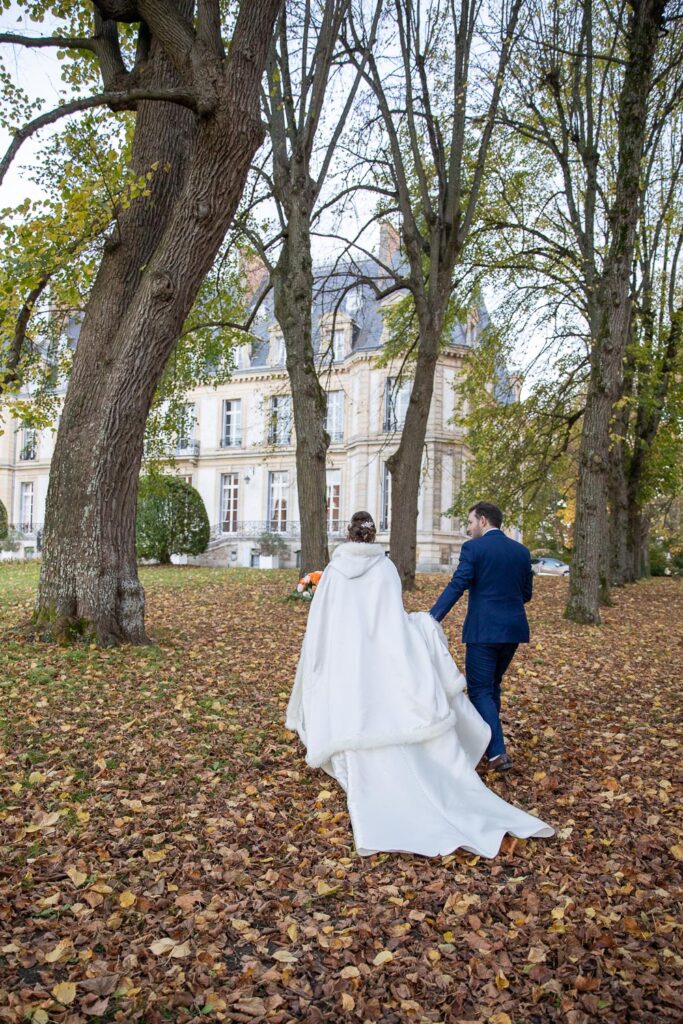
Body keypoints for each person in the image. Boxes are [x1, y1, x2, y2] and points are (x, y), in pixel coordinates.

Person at [286, 511, 553, 858]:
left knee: (473, 690)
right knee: (489, 688)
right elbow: (392, 616)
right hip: (410, 646)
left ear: (350, 535)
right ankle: (494, 745)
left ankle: (491, 744)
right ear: (373, 536)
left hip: (348, 654)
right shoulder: (385, 568)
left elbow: (324, 619)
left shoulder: (335, 571)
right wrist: (419, 627)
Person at [430, 501, 533, 774]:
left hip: (483, 631)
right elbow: (526, 594)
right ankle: (488, 745)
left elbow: (458, 584)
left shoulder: (473, 548)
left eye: (470, 522)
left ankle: (497, 752)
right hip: (512, 631)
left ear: (484, 521)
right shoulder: (521, 552)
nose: (467, 527)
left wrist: (432, 617)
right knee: (492, 687)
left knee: (480, 690)